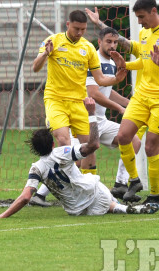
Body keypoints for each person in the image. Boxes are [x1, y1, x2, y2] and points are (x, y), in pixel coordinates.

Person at [86, 0, 159, 206]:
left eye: (142, 17)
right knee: (124, 136)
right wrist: (125, 66)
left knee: (152, 147)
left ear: (153, 11)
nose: (140, 22)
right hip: (143, 95)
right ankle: (133, 180)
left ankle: (155, 195)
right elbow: (142, 59)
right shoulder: (144, 34)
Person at [0, 98, 159, 218]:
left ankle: (124, 207)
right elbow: (94, 145)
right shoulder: (63, 152)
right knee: (98, 188)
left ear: (35, 150)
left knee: (105, 204)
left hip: (76, 210)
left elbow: (25, 197)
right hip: (94, 192)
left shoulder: (36, 169)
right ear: (53, 144)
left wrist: (1, 215)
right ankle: (129, 208)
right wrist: (91, 114)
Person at [32, 27, 142, 206]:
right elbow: (94, 93)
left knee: (132, 141)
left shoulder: (113, 62)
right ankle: (43, 193)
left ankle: (120, 184)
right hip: (85, 117)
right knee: (75, 157)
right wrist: (120, 109)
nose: (113, 45)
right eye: (109, 41)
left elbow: (107, 91)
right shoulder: (92, 58)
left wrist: (126, 103)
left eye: (115, 42)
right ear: (99, 42)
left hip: (101, 121)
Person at [31, 10, 126, 181]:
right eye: (76, 29)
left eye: (83, 29)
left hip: (79, 103)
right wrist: (46, 54)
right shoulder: (53, 41)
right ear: (68, 25)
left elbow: (100, 79)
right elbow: (35, 67)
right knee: (63, 141)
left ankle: (91, 185)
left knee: (92, 145)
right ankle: (69, 184)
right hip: (56, 100)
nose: (80, 33)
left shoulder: (88, 48)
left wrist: (116, 79)